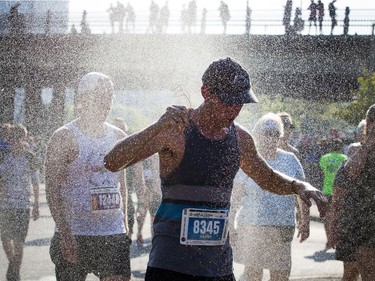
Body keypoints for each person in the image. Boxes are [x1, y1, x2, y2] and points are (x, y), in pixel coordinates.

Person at [104, 57, 327, 281]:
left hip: (218, 268)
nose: (234, 110)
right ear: (206, 92)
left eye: (240, 102)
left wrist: (297, 185)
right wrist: (157, 126)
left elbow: (266, 177)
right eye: (227, 101)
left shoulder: (240, 139)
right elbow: (112, 162)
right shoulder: (175, 131)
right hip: (171, 265)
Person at [45, 72, 131, 281]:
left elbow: (122, 185)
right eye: (100, 97)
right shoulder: (64, 137)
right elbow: (52, 189)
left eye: (109, 97)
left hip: (112, 233)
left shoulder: (118, 137)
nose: (106, 103)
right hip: (76, 234)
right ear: (83, 100)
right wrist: (65, 233)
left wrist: (125, 225)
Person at [231, 113, 310, 281]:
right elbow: (236, 197)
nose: (271, 138)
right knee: (253, 274)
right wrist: (231, 224)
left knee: (280, 276)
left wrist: (305, 222)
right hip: (252, 226)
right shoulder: (250, 159)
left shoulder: (290, 160)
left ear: (280, 137)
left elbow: (302, 193)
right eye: (267, 133)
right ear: (257, 135)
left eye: (275, 134)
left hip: (281, 227)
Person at [337, 104, 375, 281]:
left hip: (369, 224)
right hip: (356, 221)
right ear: (368, 123)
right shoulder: (356, 149)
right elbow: (350, 171)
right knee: (352, 274)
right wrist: (369, 142)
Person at [0, 124, 40, 281]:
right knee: (4, 239)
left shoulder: (30, 157)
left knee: (18, 241)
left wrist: (36, 204)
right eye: (14, 139)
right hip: (4, 205)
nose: (18, 143)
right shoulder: (3, 155)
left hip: (22, 205)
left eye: (21, 139)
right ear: (10, 140)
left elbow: (35, 182)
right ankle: (14, 266)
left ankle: (14, 274)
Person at [328, 121, 365, 281]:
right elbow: (338, 198)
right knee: (351, 273)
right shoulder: (353, 152)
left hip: (364, 224)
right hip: (351, 223)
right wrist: (334, 227)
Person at [319, 138, 347, 249]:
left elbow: (322, 173)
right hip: (340, 191)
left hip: (327, 191)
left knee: (327, 217)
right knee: (339, 216)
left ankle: (328, 239)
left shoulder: (324, 158)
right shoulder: (345, 158)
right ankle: (336, 238)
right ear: (341, 147)